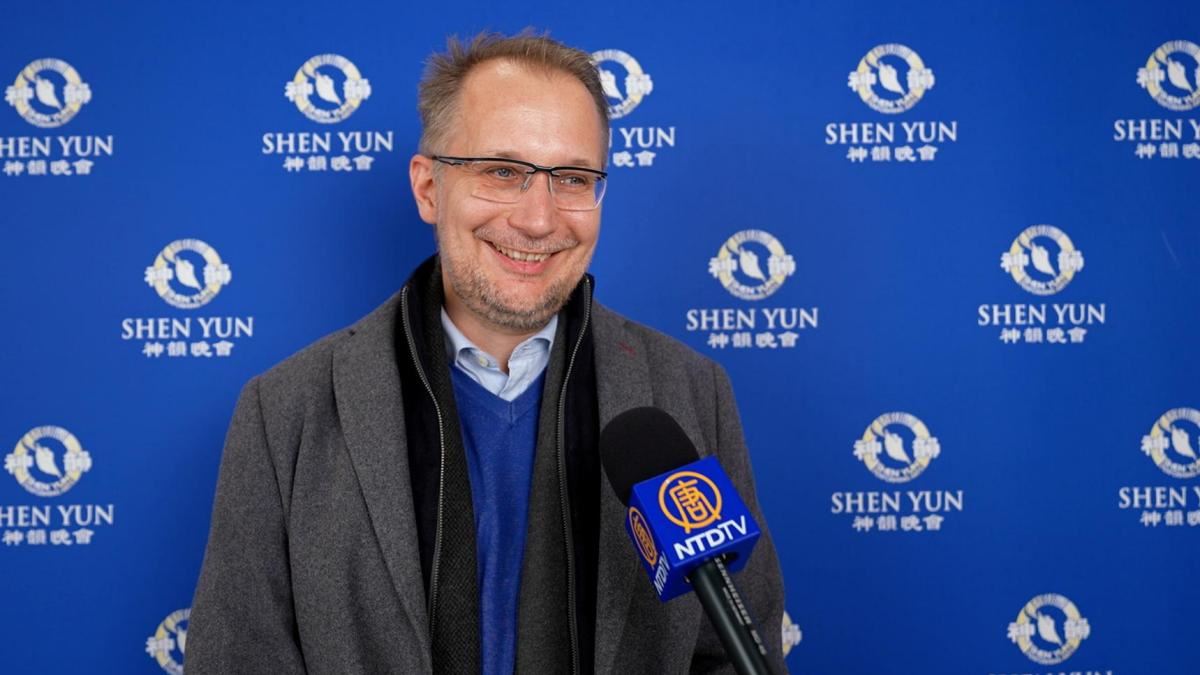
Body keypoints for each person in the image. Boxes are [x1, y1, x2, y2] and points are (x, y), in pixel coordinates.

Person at [187, 31, 786, 675]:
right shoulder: (286, 412)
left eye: (573, 178)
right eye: (503, 172)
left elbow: (733, 656)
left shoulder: (691, 391)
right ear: (428, 188)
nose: (538, 219)